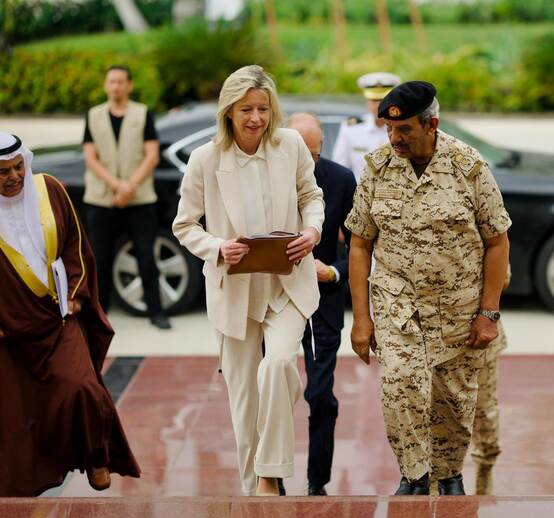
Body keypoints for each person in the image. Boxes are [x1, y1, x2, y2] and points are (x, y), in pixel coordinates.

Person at [346, 81, 511, 495]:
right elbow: (360, 244)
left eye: (405, 131)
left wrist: (489, 313)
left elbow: (497, 241)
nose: (395, 139)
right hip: (397, 304)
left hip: (458, 306)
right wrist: (362, 320)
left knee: (454, 400)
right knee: (401, 385)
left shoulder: (469, 167)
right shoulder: (378, 168)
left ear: (432, 124)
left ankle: (449, 473)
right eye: (389, 130)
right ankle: (415, 476)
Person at [172, 65, 324, 496]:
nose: (256, 118)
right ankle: (253, 487)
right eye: (246, 110)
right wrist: (218, 247)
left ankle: (270, 474)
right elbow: (184, 226)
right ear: (229, 112)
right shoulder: (205, 159)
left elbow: (312, 197)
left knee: (277, 366)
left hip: (287, 284)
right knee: (245, 397)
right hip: (233, 288)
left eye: (263, 108)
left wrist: (312, 232)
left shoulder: (290, 144)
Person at [0, 132, 140, 496]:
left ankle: (96, 456)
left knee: (83, 389)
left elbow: (76, 245)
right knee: (17, 416)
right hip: (10, 332)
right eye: (2, 172)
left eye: (18, 167)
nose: (14, 177)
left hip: (58, 317)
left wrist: (77, 295)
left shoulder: (49, 190)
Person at [285, 112, 357, 496]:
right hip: (274, 299)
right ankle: (272, 478)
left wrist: (332, 272)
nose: (306, 165)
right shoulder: (266, 175)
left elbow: (362, 248)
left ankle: (317, 482)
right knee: (273, 391)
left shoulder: (341, 179)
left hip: (322, 299)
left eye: (312, 156)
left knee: (320, 395)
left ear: (321, 149)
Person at [82, 65, 170, 329]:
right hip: (102, 198)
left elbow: (152, 155)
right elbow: (90, 156)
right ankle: (99, 313)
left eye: (121, 82)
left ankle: (156, 312)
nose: (116, 86)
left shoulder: (143, 114)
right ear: (105, 85)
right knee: (100, 258)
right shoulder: (94, 115)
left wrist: (129, 186)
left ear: (129, 85)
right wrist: (116, 186)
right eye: (112, 82)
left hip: (140, 198)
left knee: (146, 256)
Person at [469, 268, 510, 496]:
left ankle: (485, 471)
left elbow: (503, 278)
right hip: (434, 342)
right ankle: (437, 483)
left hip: (481, 339)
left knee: (484, 411)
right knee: (434, 415)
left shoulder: (487, 231)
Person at [332, 72, 402, 181]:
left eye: (383, 100)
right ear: (367, 102)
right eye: (374, 100)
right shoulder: (351, 129)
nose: (379, 105)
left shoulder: (402, 128)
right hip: (360, 194)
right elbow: (339, 168)